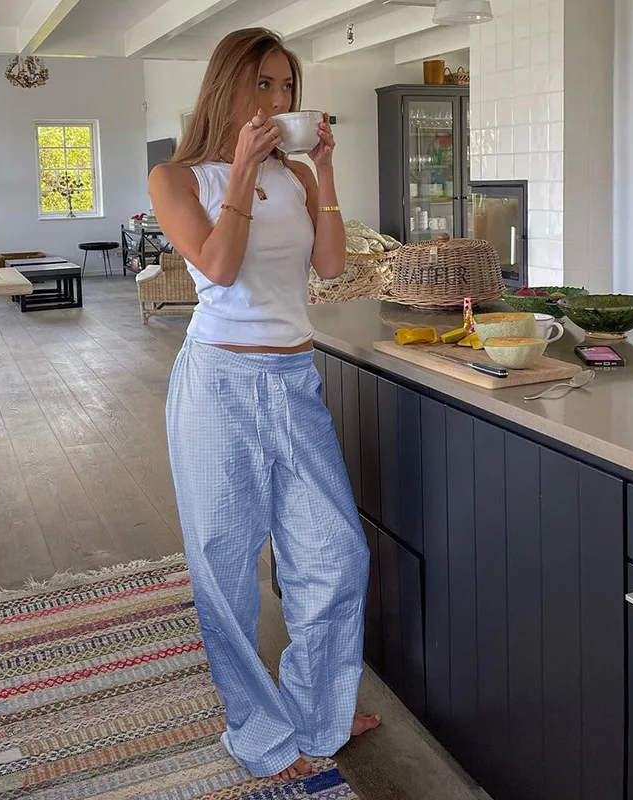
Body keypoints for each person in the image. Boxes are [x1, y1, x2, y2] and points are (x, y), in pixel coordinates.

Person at [148, 27, 381, 784]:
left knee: (335, 555)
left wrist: (326, 171)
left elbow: (331, 266)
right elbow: (218, 267)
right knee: (224, 566)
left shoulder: (298, 176)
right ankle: (259, 731)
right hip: (218, 384)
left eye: (287, 87)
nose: (279, 100)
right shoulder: (177, 178)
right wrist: (244, 170)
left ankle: (319, 712)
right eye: (263, 85)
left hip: (294, 380)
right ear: (227, 88)